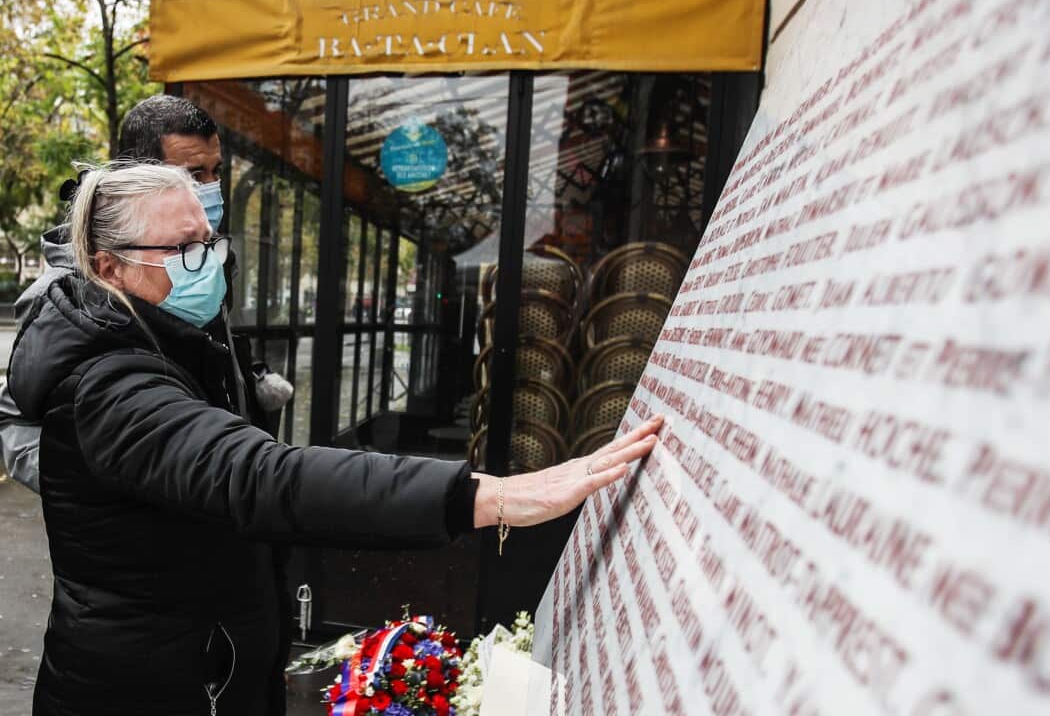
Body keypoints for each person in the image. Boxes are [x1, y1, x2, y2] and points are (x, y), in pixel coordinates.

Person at [6, 160, 663, 715]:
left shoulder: (172, 341)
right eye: (182, 249)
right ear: (109, 267)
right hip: (144, 691)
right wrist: (480, 496)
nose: (207, 262)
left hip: (207, 668)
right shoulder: (110, 385)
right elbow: (262, 477)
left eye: (209, 240)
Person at [0, 94, 229, 493]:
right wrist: (108, 479)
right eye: (194, 175)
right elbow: (17, 418)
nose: (210, 190)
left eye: (216, 172)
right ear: (141, 173)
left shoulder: (203, 258)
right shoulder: (65, 291)